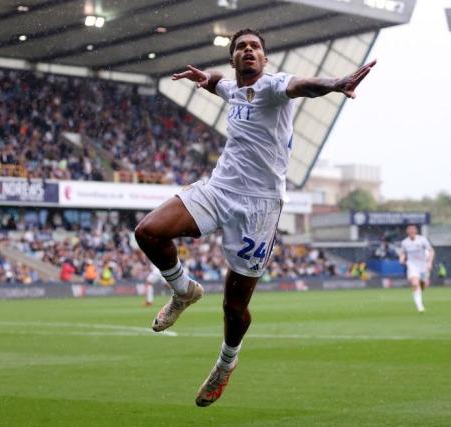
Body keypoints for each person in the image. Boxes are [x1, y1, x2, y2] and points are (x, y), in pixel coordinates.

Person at [134, 28, 376, 407]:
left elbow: (305, 85)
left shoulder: (276, 86)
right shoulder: (231, 87)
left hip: (260, 208)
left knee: (234, 307)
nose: (249, 51)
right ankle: (183, 290)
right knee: (148, 231)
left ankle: (226, 362)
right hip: (219, 190)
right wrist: (206, 78)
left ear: (265, 58)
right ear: (233, 59)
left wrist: (335, 83)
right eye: (241, 47)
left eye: (255, 47)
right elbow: (220, 85)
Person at [399, 224, 434, 313]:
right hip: (412, 265)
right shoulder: (404, 242)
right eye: (409, 230)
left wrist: (430, 262)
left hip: (423, 265)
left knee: (423, 285)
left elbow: (431, 250)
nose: (411, 232)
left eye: (412, 230)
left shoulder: (422, 240)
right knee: (415, 283)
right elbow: (403, 253)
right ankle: (420, 306)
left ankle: (420, 290)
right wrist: (402, 259)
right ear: (407, 232)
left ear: (416, 231)